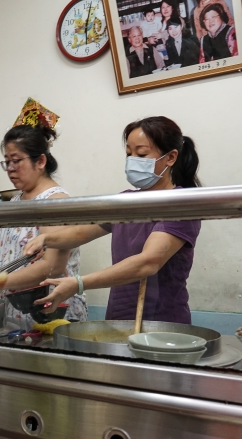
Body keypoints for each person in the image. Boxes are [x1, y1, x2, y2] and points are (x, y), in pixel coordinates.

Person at [23, 117, 201, 324]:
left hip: (162, 324)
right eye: (129, 154)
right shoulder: (125, 201)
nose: (133, 160)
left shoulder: (180, 204)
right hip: (119, 320)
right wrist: (47, 240)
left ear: (170, 158)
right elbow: (82, 232)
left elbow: (148, 262)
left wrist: (78, 283)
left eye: (141, 154)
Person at [0, 124, 87, 329]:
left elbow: (52, 266)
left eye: (16, 161)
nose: (10, 168)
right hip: (17, 306)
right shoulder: (16, 199)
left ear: (40, 161)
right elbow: (9, 246)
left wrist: (0, 283)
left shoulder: (53, 201)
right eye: (7, 162)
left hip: (49, 308)